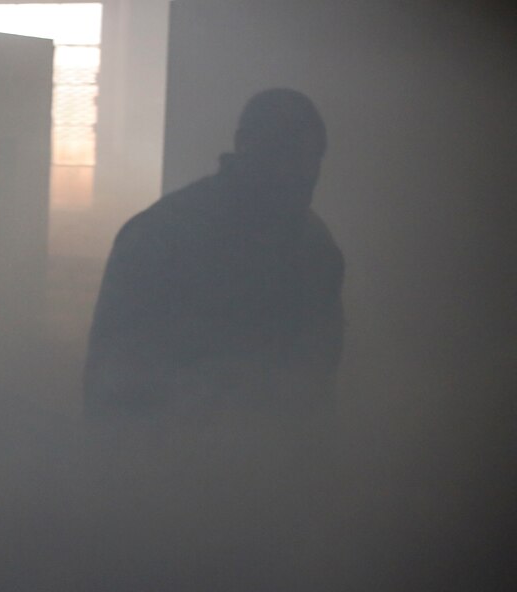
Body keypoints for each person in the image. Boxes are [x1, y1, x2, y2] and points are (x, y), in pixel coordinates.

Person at [83, 89, 344, 422]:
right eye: (284, 153)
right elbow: (114, 378)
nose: (297, 173)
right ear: (245, 144)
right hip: (171, 459)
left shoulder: (315, 246)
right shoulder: (162, 235)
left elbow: (320, 374)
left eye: (309, 159)